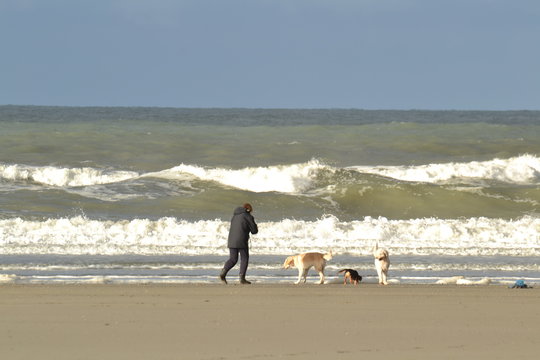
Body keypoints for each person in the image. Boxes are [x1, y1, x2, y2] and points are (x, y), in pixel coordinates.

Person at [220, 203, 258, 284]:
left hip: (231, 240)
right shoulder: (248, 216)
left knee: (233, 259)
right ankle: (242, 278)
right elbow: (254, 231)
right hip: (242, 240)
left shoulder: (234, 216)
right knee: (244, 258)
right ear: (248, 210)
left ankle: (223, 272)